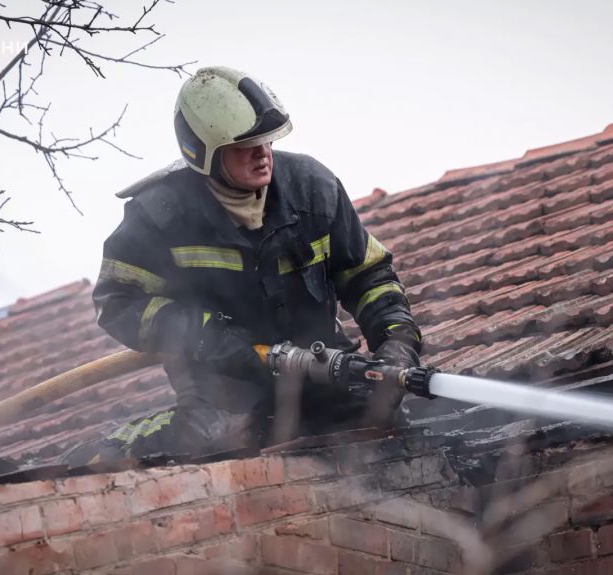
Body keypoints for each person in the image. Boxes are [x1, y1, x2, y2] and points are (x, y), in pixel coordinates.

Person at [74, 66, 422, 463]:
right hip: (225, 387)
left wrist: (396, 342)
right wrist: (204, 335)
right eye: (245, 145)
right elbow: (116, 301)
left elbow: (368, 276)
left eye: (267, 140)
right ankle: (109, 448)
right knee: (218, 438)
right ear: (204, 152)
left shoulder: (313, 188)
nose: (263, 153)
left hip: (319, 370)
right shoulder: (160, 216)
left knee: (382, 421)